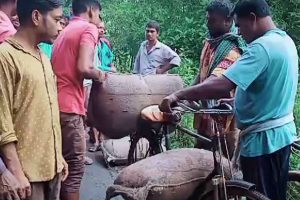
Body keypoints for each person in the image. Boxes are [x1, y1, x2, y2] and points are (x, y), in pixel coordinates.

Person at [159, 0, 298, 199]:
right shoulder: (285, 41)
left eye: (240, 25)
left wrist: (178, 94)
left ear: (252, 18)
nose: (239, 32)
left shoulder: (261, 47)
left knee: (260, 194)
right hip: (281, 136)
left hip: (263, 142)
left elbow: (223, 84)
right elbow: (269, 90)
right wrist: (235, 103)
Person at [0, 0, 69, 200]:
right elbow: (3, 124)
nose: (60, 26)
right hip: (26, 177)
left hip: (51, 169)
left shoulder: (43, 58)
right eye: (56, 19)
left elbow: (45, 112)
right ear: (36, 17)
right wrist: (14, 173)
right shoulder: (6, 57)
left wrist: (58, 157)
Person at [51, 0, 104, 199]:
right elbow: (84, 67)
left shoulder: (64, 30)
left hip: (55, 104)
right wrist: (100, 75)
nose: (99, 18)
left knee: (62, 167)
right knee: (74, 170)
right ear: (91, 10)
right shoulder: (88, 28)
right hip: (70, 107)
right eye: (99, 13)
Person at [193, 0, 246, 159]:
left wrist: (183, 95)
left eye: (213, 20)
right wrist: (189, 91)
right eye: (207, 19)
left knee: (224, 164)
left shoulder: (232, 50)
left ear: (228, 21)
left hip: (224, 120)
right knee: (201, 159)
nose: (208, 23)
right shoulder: (209, 43)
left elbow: (215, 83)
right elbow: (202, 73)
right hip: (205, 114)